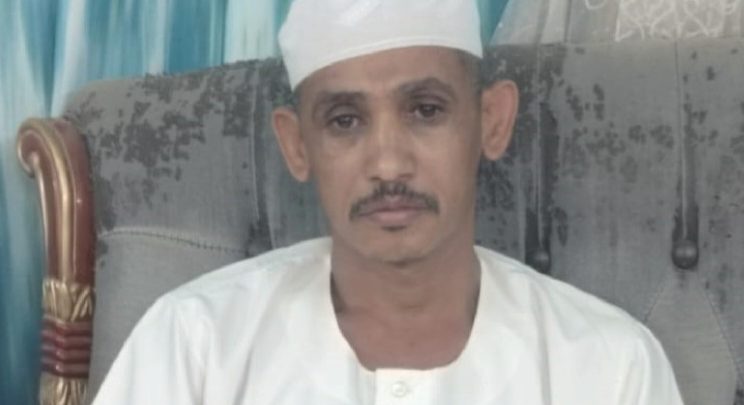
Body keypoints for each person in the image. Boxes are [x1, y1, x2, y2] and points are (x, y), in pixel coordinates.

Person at [91, 1, 684, 404]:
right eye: (345, 120)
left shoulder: (608, 368)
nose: (389, 163)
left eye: (425, 110)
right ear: (297, 145)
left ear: (492, 121)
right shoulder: (195, 344)